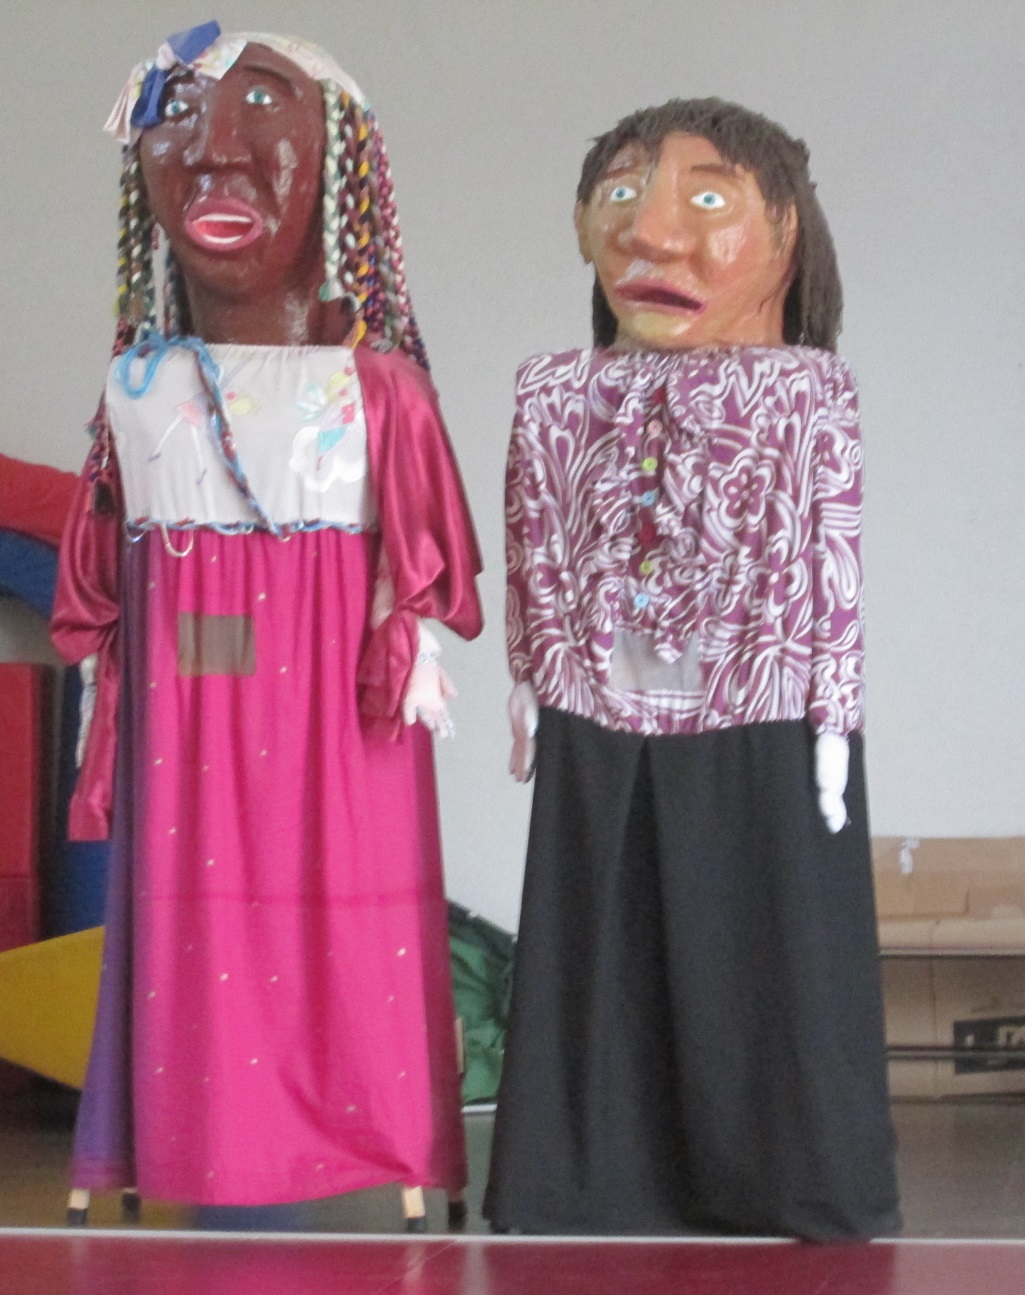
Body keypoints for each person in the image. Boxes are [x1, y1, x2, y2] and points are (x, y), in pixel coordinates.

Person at [52, 23, 482, 1226]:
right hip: (194, 674)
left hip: (344, 685)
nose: (212, 147)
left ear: (339, 163)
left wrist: (404, 644)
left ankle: (372, 1136)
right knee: (202, 894)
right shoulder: (137, 387)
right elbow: (106, 570)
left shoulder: (382, 387)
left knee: (350, 896)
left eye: (257, 105)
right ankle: (205, 1143)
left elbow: (428, 559)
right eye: (178, 113)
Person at [484, 98, 899, 1239]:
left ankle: (782, 1171)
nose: (650, 232)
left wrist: (832, 711)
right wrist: (530, 672)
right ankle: (582, 1173)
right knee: (598, 934)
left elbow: (830, 553)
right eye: (618, 195)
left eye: (705, 198)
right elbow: (532, 533)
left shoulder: (807, 394)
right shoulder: (554, 393)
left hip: (760, 697)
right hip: (595, 696)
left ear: (785, 233)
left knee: (761, 939)